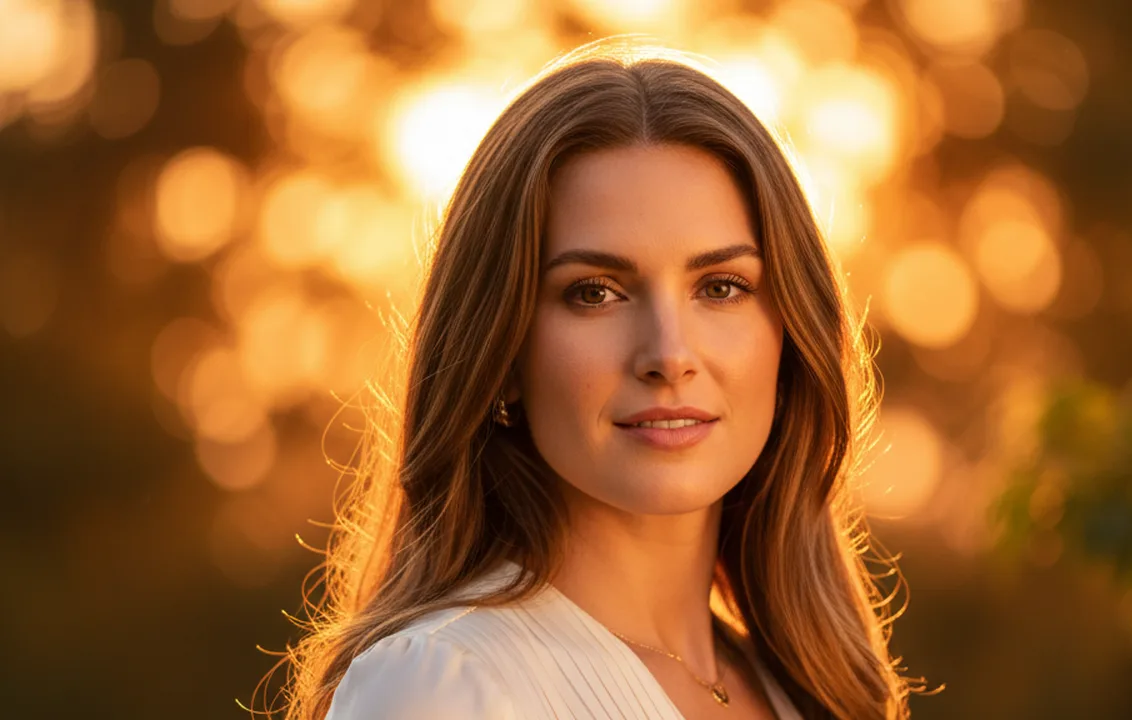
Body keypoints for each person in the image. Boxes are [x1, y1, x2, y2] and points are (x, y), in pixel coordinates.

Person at [268, 38, 922, 720]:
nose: (669, 354)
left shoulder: (810, 689)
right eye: (595, 293)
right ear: (503, 351)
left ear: (790, 336)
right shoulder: (445, 688)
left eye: (721, 287)